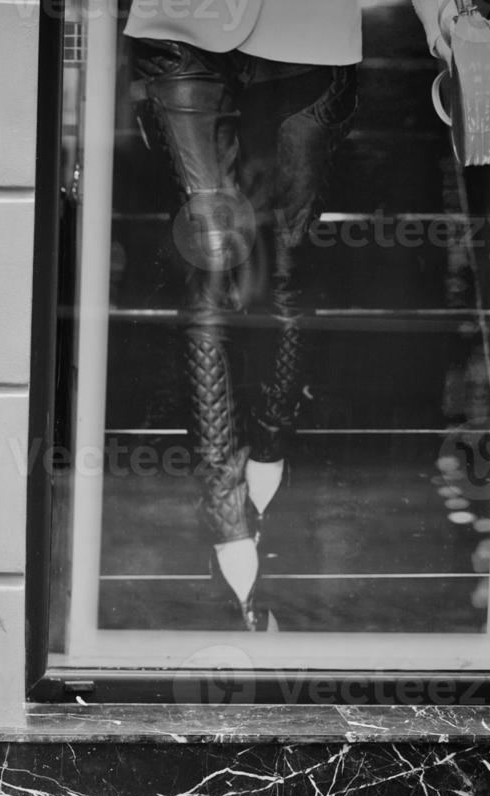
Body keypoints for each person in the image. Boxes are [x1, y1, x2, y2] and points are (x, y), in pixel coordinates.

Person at [124, 0, 360, 628]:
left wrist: (450, 17)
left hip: (308, 34)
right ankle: (226, 515)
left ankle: (272, 441)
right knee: (212, 262)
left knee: (284, 269)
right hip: (183, 28)